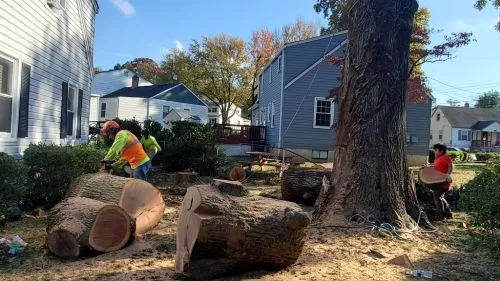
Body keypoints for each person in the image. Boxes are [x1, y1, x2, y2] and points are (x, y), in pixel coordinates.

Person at [425, 144, 453, 218]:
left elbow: (450, 166)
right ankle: (448, 213)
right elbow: (435, 168)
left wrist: (448, 175)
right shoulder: (437, 159)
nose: (434, 151)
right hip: (438, 182)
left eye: (436, 150)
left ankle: (440, 213)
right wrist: (426, 168)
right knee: (439, 196)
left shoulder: (445, 158)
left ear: (441, 151)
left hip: (444, 182)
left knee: (437, 195)